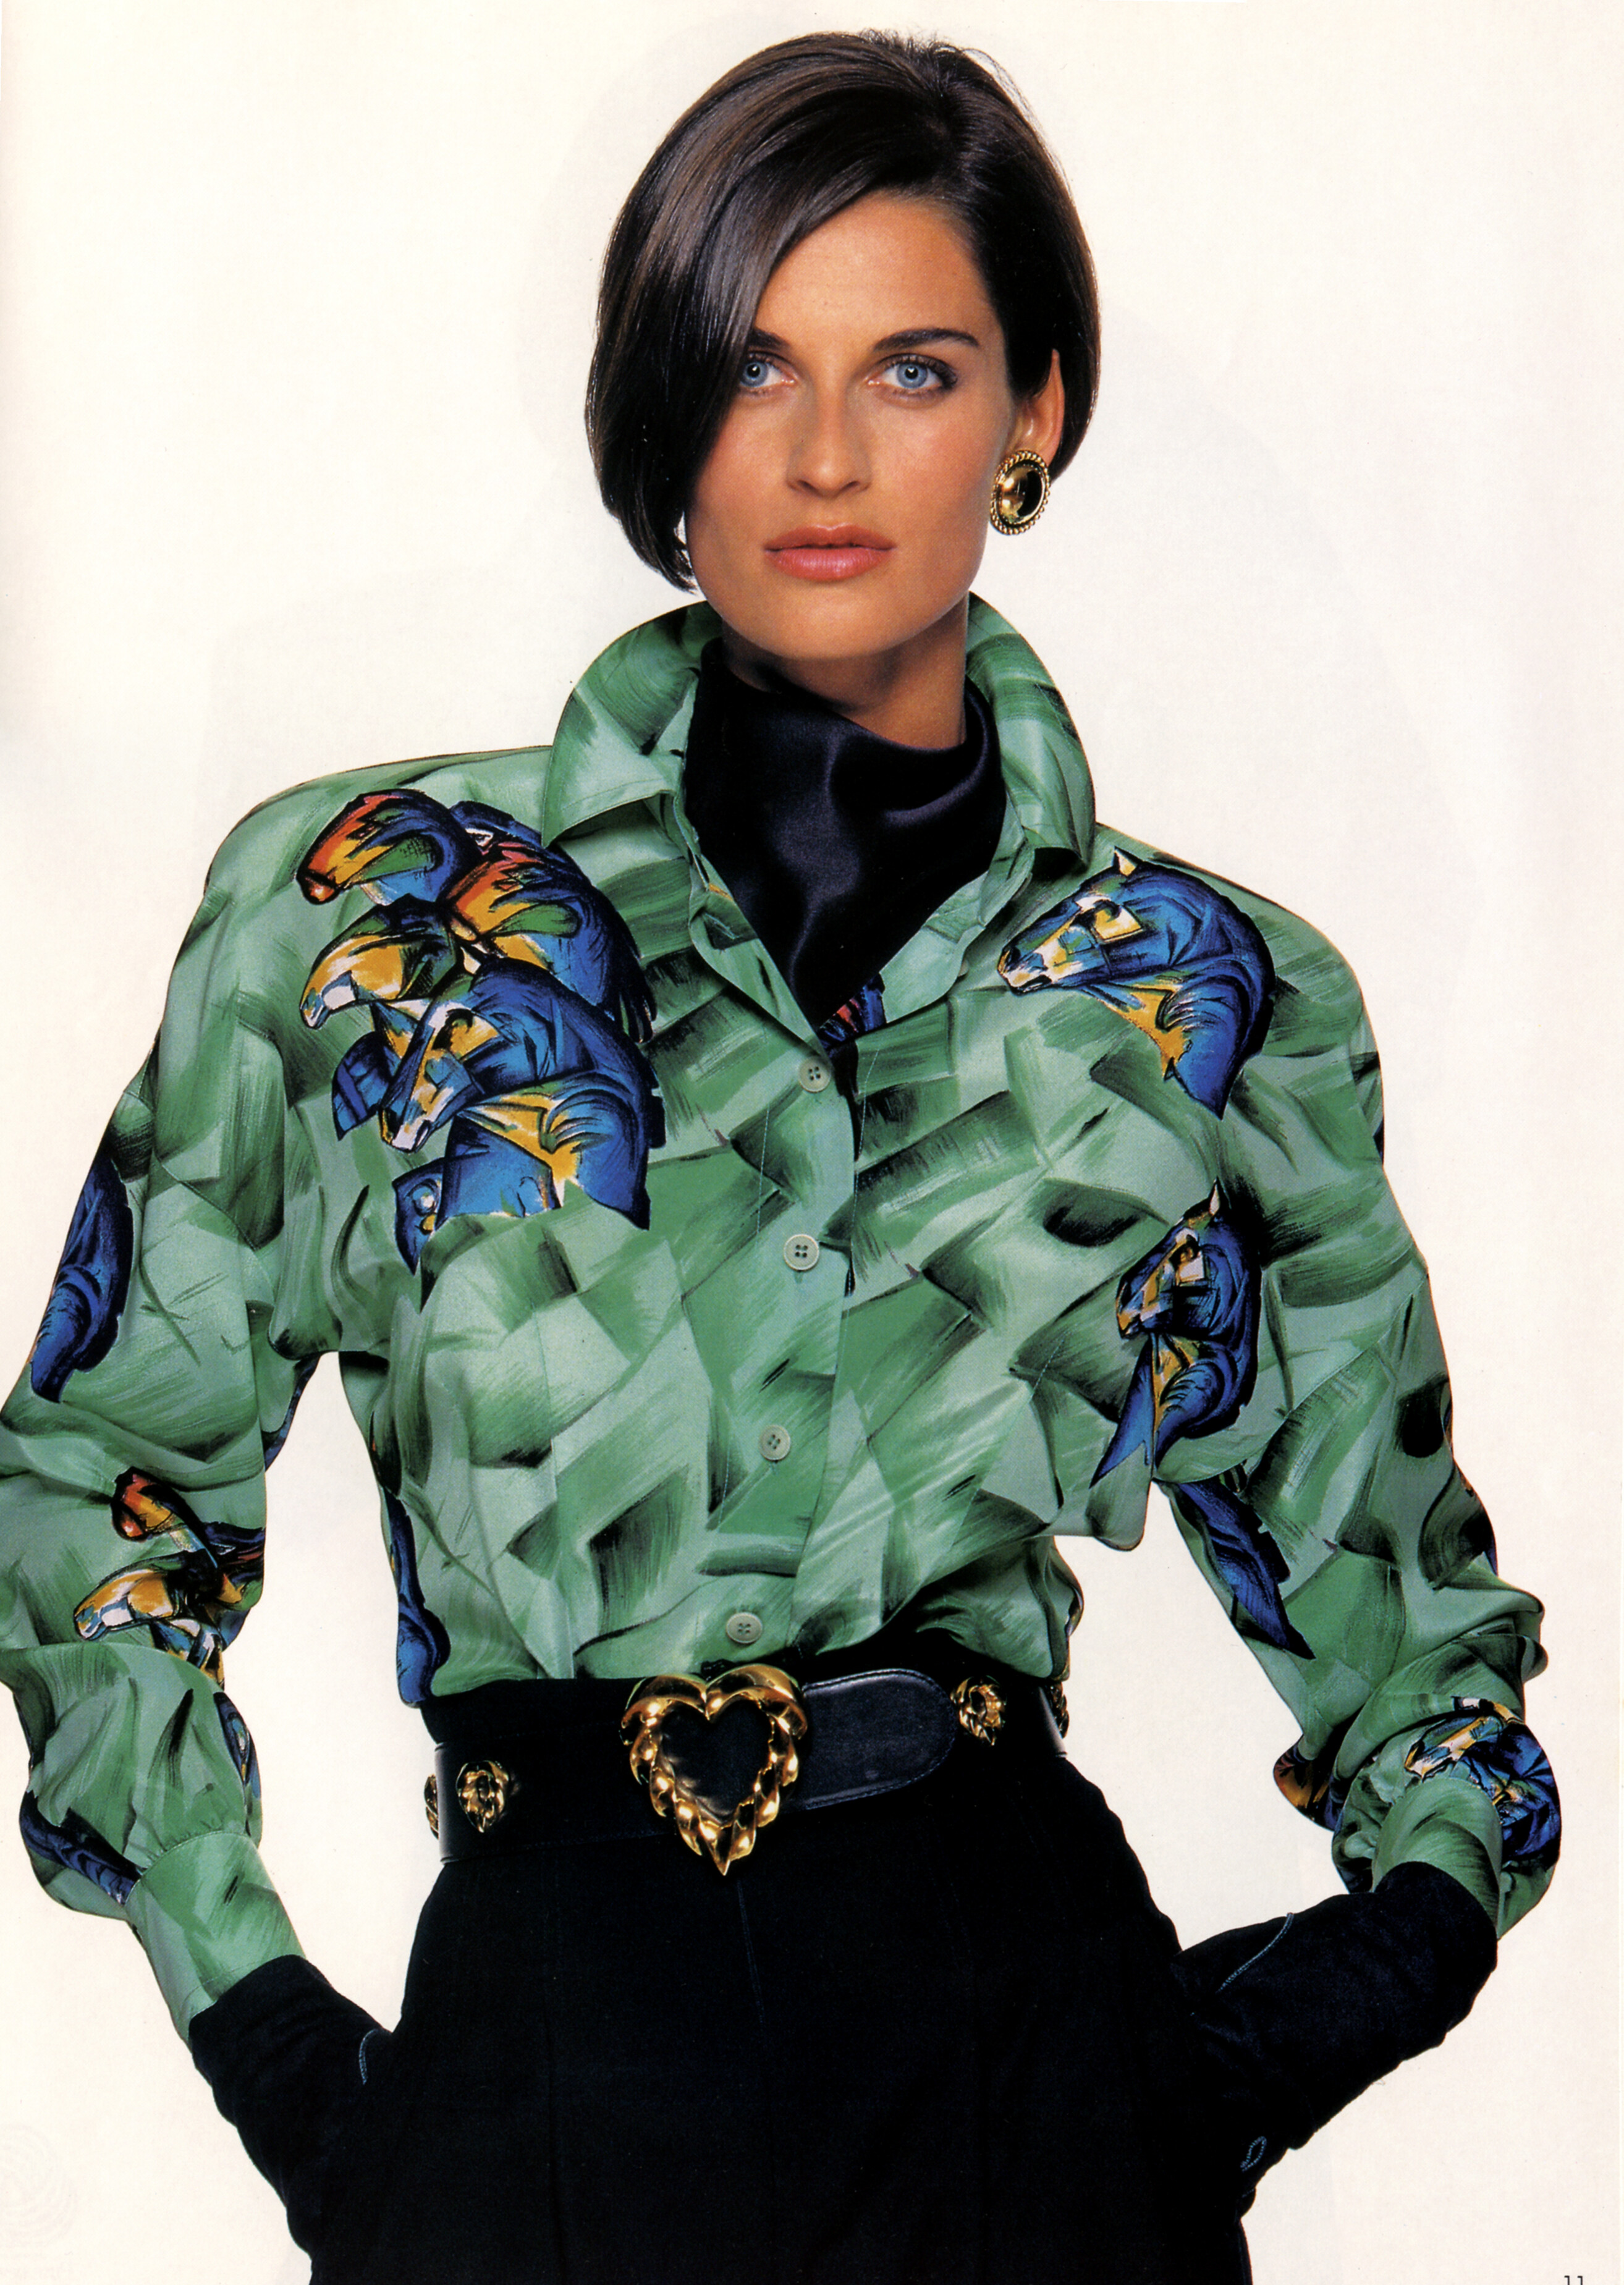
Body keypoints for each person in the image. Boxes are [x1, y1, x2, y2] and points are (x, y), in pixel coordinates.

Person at [0, 30, 1558, 2285]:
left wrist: (1283, 2024)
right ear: (660, 417)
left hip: (1023, 2082)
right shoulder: (364, 913)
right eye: (750, 364)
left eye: (912, 369)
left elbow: (1403, 1623)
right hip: (541, 2073)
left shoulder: (1206, 992)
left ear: (1033, 412)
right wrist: (271, 2034)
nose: (824, 455)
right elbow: (97, 1475)